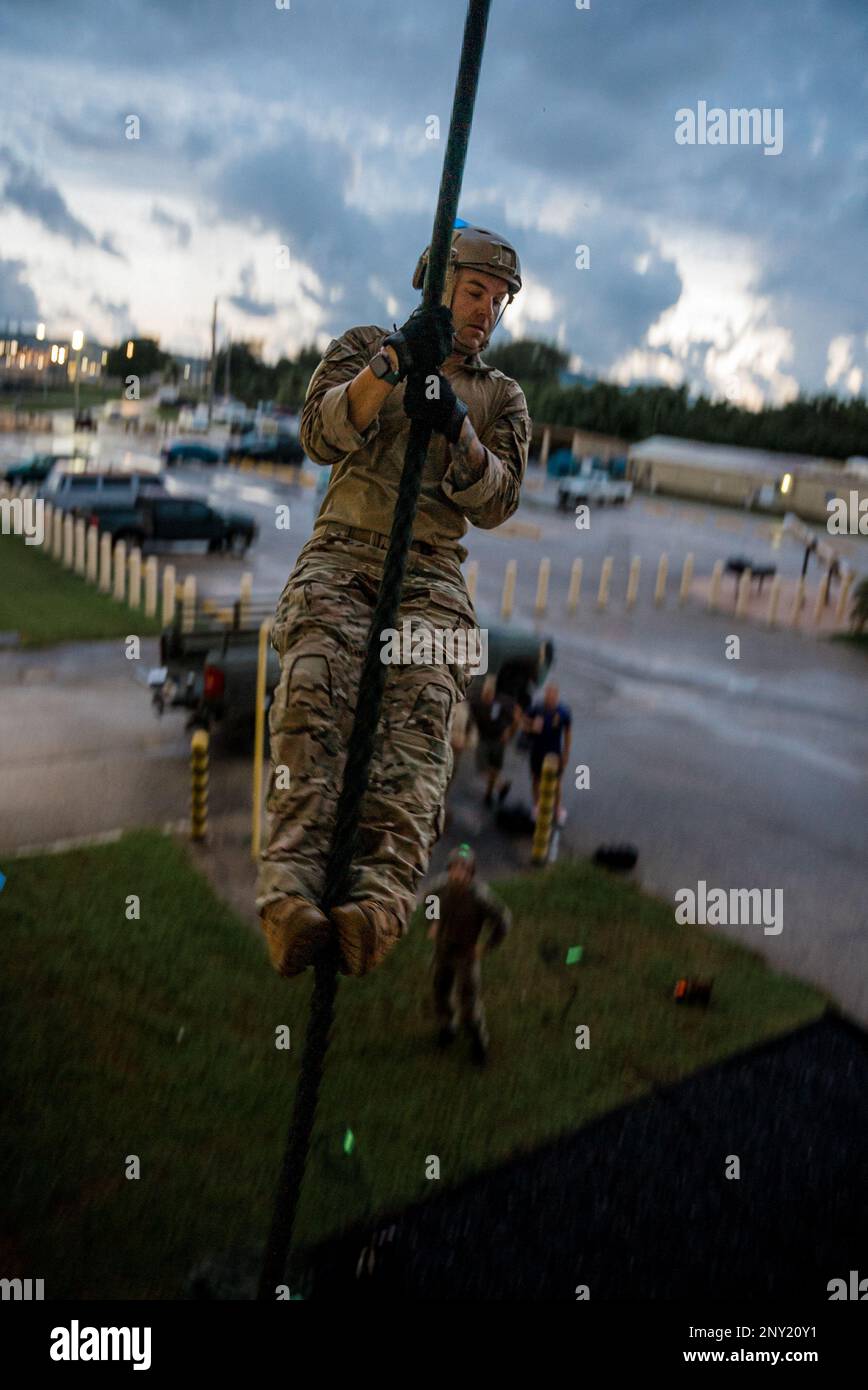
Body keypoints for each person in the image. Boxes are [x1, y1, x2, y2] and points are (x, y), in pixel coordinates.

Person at [257, 224, 531, 979]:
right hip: (344, 552)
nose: (487, 311)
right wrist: (392, 364)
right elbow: (320, 431)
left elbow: (499, 500)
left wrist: (457, 429)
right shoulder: (362, 345)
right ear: (435, 281)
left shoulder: (501, 396)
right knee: (311, 701)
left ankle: (373, 910)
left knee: (417, 742)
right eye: (475, 291)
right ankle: (289, 902)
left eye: (499, 300)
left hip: (432, 572)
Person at [425, 843, 511, 1066]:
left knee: (469, 1004)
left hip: (465, 954)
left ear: (471, 872)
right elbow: (429, 900)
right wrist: (434, 921)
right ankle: (447, 1028)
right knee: (440, 991)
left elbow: (503, 920)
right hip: (442, 950)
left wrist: (485, 946)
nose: (458, 872)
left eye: (464, 868)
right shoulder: (440, 887)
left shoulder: (480, 897)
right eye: (455, 867)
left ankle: (478, 1042)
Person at [524, 682, 572, 826]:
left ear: (556, 697)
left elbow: (568, 733)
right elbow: (523, 721)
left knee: (556, 783)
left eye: (553, 696)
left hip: (553, 753)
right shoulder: (537, 708)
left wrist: (566, 753)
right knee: (536, 779)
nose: (550, 698)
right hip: (537, 750)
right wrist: (531, 726)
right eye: (548, 695)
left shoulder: (563, 712)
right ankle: (537, 806)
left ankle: (557, 808)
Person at [469, 673, 520, 806]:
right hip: (484, 738)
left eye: (491, 691)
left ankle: (489, 794)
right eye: (487, 690)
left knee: (495, 768)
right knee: (483, 767)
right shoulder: (476, 701)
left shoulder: (502, 702)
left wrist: (510, 732)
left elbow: (517, 716)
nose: (488, 694)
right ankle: (501, 786)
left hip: (498, 739)